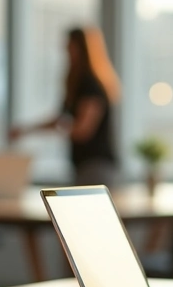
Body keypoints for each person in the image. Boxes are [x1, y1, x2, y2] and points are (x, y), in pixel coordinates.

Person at [10, 26, 121, 186]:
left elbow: (83, 130)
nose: (66, 52)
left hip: (97, 167)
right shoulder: (76, 85)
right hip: (83, 166)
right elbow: (59, 119)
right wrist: (27, 130)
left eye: (70, 47)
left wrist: (62, 129)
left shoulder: (91, 85)